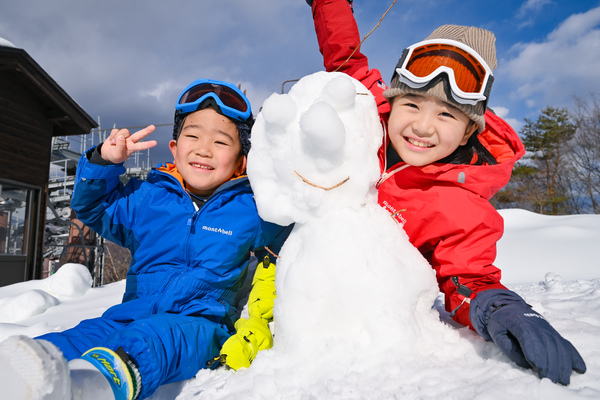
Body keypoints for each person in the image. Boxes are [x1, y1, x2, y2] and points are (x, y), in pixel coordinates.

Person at [303, 0, 586, 385]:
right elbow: (344, 57)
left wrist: (502, 310)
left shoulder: (461, 205)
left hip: (359, 309)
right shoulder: (367, 116)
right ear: (391, 101)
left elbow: (468, 278)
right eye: (412, 104)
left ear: (468, 131)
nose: (422, 126)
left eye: (446, 114)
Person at [0, 79, 290, 399]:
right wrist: (104, 163)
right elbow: (93, 208)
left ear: (242, 161)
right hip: (126, 316)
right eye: (192, 136)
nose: (204, 149)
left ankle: (91, 388)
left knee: (150, 339)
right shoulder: (148, 197)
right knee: (68, 342)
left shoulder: (251, 210)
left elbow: (290, 247)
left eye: (221, 142)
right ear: (174, 148)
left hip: (195, 326)